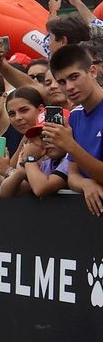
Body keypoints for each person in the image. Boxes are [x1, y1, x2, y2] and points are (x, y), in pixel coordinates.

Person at [47, 44, 103, 214]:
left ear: (92, 72)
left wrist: (70, 145)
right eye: (62, 82)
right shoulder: (75, 116)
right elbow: (72, 175)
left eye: (74, 77)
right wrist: (85, 184)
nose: (69, 87)